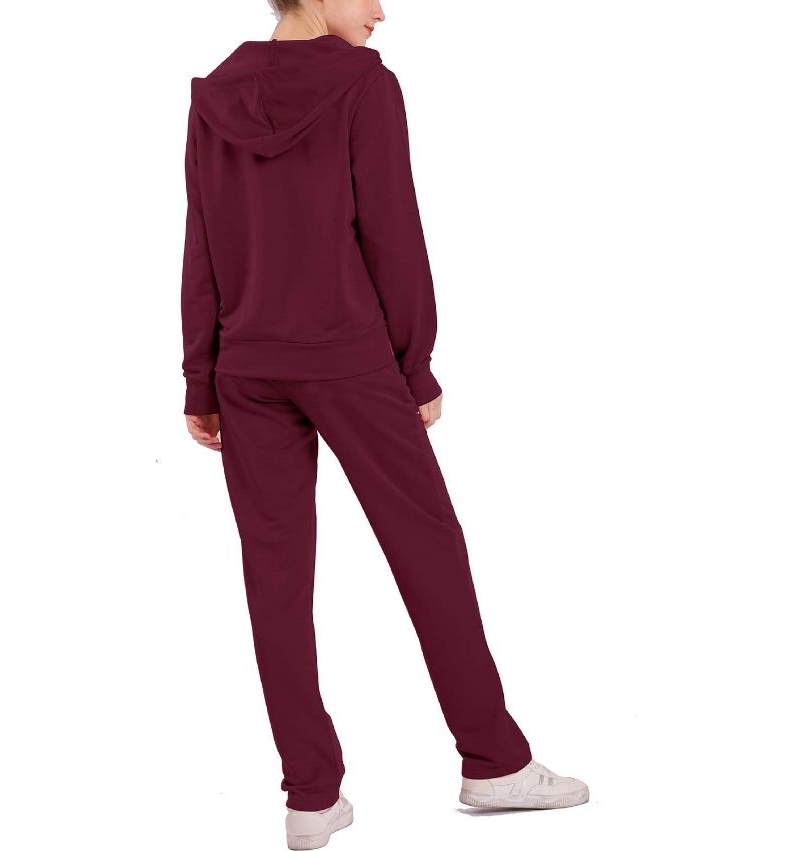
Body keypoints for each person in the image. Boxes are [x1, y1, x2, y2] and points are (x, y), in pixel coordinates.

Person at [179, 1, 589, 847]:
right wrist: (415, 362)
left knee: (274, 577)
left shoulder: (215, 93)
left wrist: (200, 375)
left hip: (246, 366)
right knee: (428, 546)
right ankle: (494, 760)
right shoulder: (363, 85)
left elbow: (203, 240)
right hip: (349, 358)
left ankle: (309, 796)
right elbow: (392, 230)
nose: (379, 11)